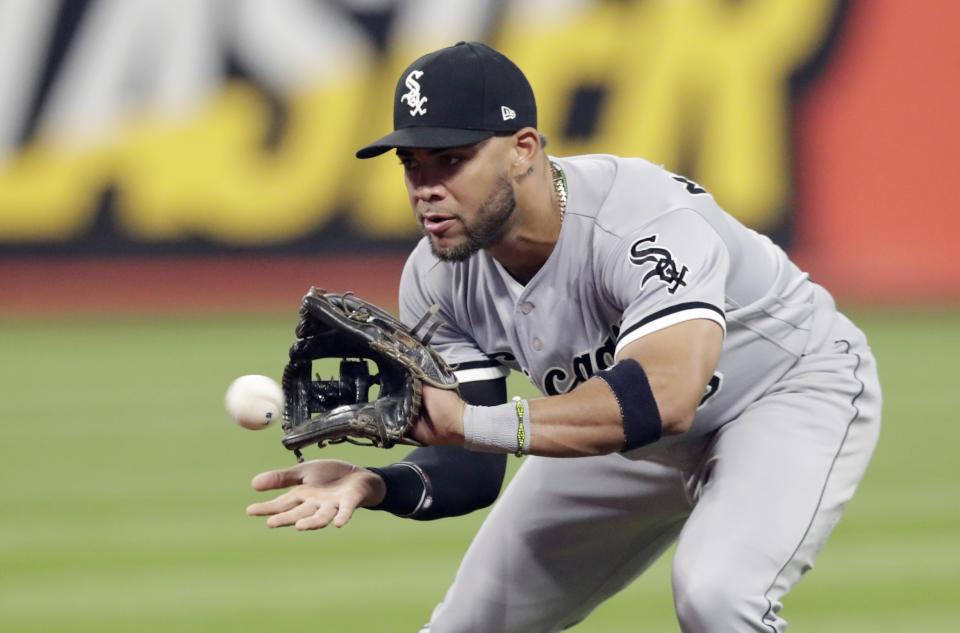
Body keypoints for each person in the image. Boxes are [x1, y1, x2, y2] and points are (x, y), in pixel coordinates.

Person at [246, 41, 881, 632]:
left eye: (453, 158)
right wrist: (379, 482)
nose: (427, 187)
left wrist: (470, 422)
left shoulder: (638, 218)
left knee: (717, 595)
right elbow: (471, 461)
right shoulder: (439, 278)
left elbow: (665, 394)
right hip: (622, 430)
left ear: (524, 149)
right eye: (412, 164)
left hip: (783, 392)